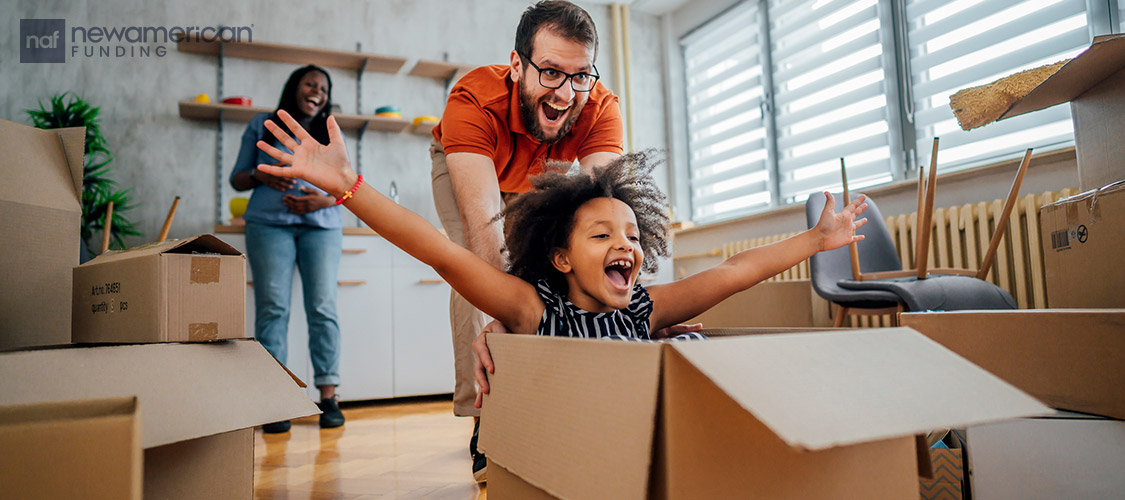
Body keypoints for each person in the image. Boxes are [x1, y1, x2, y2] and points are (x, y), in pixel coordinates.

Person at [253, 109, 869, 433]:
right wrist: (347, 185)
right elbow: (440, 252)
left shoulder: (642, 310)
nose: (623, 243)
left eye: (631, 234)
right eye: (601, 234)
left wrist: (815, 239)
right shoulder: (533, 311)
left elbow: (734, 271)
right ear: (562, 256)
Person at [429, 1, 639, 480]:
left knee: (563, 261)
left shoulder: (600, 106)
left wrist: (628, 315)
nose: (566, 93)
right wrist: (507, 315)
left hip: (535, 172)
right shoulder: (473, 101)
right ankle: (487, 416)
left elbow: (608, 226)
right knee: (476, 272)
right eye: (550, 72)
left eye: (580, 75)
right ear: (517, 65)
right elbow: (485, 234)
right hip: (466, 165)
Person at [229, 65, 346, 433]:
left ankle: (328, 397)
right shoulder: (262, 124)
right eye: (311, 84)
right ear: (294, 87)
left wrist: (321, 202)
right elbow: (237, 177)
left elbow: (349, 187)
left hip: (320, 227)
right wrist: (260, 174)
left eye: (324, 88)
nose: (318, 91)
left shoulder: (329, 132)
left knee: (323, 307)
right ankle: (275, 399)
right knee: (273, 309)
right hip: (269, 224)